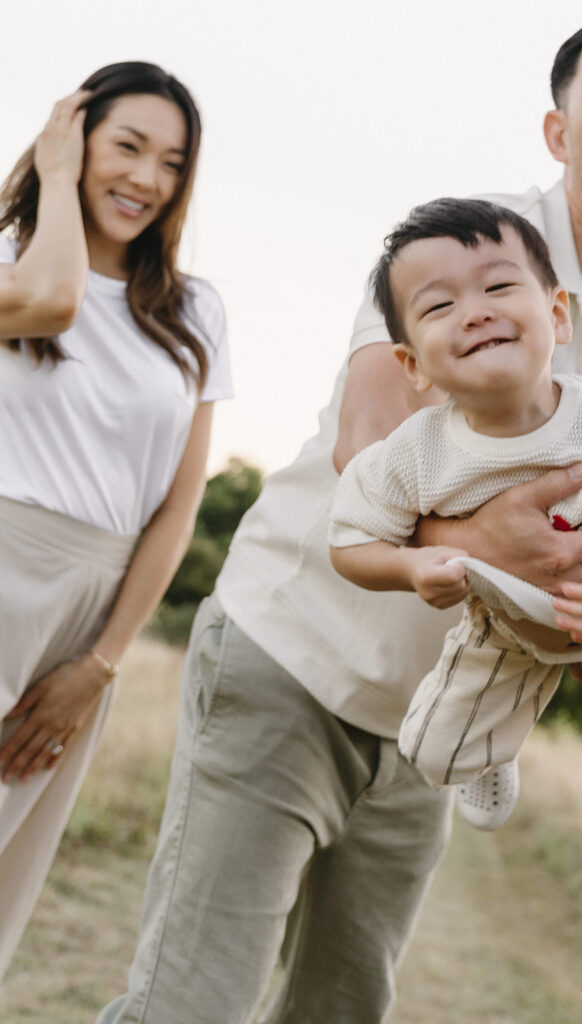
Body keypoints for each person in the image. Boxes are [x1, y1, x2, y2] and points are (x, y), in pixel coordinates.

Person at [98, 8, 582, 1024]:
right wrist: (481, 552)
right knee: (191, 1001)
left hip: (438, 724)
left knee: (340, 1005)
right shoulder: (457, 245)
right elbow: (365, 441)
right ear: (557, 128)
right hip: (291, 652)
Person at [329, 197, 582, 829]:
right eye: (440, 306)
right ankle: (496, 743)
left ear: (556, 315)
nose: (477, 311)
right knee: (430, 752)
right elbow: (351, 540)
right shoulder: (418, 451)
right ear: (411, 365)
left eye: (497, 286)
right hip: (509, 629)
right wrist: (408, 567)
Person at [0, 62, 231, 979]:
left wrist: (102, 661)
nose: (145, 179)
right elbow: (52, 300)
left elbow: (177, 508)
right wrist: (52, 181)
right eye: (124, 146)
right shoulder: (12, 277)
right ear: (74, 138)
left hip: (90, 605)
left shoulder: (194, 311)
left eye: (171, 163)